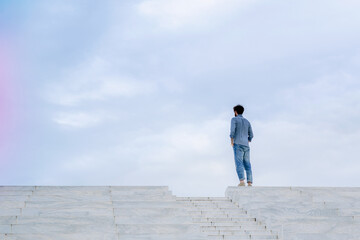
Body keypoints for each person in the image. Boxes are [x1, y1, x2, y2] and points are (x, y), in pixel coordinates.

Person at [230, 105, 253, 187]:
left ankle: (242, 181)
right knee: (247, 163)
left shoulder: (234, 119)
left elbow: (232, 131)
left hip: (238, 144)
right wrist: (248, 140)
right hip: (246, 145)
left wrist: (232, 141)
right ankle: (249, 182)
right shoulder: (247, 121)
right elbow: (251, 134)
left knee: (239, 163)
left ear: (235, 112)